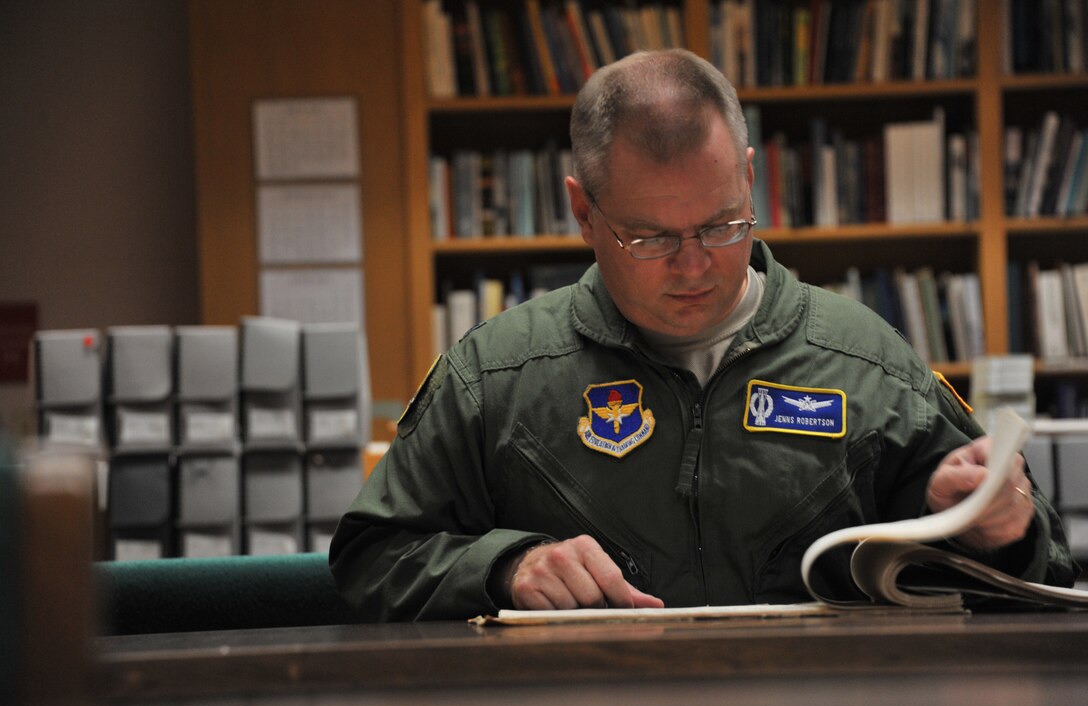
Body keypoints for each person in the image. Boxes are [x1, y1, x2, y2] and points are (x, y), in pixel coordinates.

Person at [330, 49, 1079, 621]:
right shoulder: (495, 375)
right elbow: (370, 561)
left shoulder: (865, 358)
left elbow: (1043, 575)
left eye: (723, 224)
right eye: (648, 238)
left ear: (750, 177)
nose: (694, 267)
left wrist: (999, 527)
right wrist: (502, 568)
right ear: (584, 213)